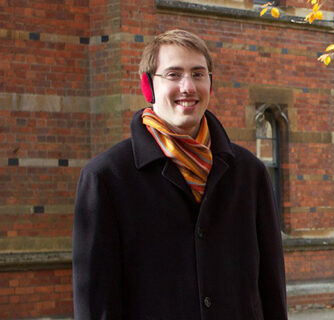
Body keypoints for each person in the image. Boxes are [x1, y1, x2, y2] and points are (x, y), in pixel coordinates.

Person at [73, 29, 288, 319]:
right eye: (173, 75)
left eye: (198, 74)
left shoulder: (250, 173)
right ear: (148, 86)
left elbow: (271, 288)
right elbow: (96, 303)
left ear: (210, 84)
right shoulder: (106, 178)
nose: (188, 87)